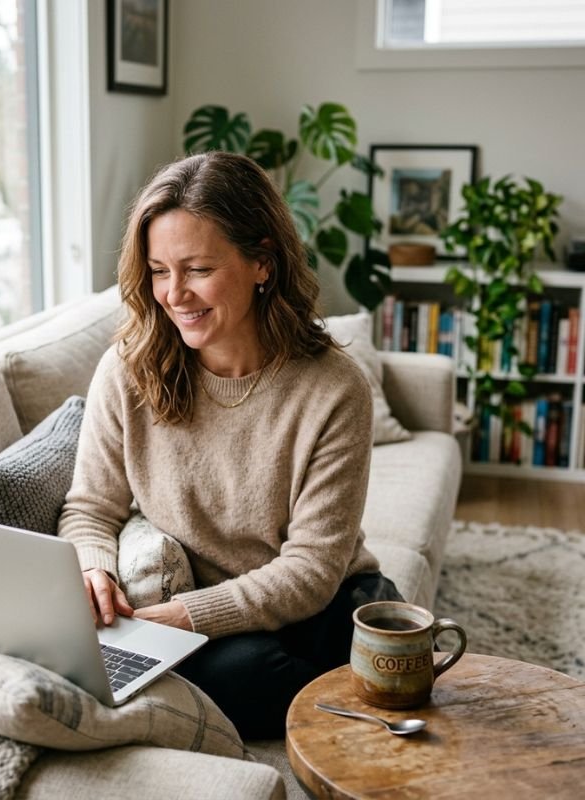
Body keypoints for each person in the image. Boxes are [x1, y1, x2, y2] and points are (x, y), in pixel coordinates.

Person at [57, 151, 403, 739]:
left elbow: (312, 568)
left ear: (261, 263)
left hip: (318, 603)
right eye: (159, 270)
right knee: (243, 675)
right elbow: (91, 508)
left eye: (197, 269)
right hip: (211, 616)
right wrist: (94, 571)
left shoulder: (333, 388)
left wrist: (182, 619)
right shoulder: (127, 369)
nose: (174, 294)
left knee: (352, 654)